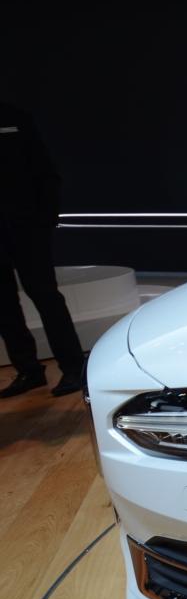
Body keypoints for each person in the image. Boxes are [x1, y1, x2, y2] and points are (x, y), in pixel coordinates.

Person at [0, 102, 84, 397]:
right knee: (3, 305)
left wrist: (45, 220)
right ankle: (28, 371)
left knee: (45, 295)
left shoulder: (13, 117)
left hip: (26, 226)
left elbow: (45, 171)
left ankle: (73, 368)